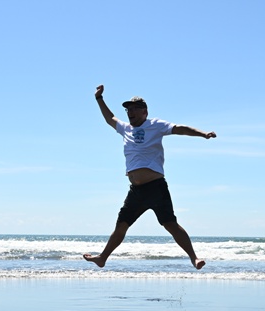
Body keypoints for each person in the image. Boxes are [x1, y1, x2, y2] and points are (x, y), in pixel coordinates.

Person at [83, 85, 216, 270]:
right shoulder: (125, 129)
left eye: (134, 108)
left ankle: (194, 258)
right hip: (136, 191)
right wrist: (99, 98)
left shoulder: (155, 125)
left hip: (156, 187)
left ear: (144, 111)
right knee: (121, 225)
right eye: (128, 109)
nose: (130, 112)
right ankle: (102, 258)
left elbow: (180, 128)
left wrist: (203, 134)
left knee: (170, 224)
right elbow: (109, 118)